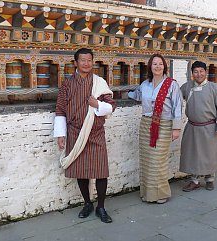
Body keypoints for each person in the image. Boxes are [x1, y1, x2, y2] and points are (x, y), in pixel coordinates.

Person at [53, 48, 116, 223]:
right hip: (74, 131)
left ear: (92, 62)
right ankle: (87, 203)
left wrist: (97, 104)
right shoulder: (67, 84)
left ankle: (101, 207)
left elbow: (111, 106)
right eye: (83, 60)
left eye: (89, 60)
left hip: (95, 132)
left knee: (101, 171)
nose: (86, 63)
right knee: (81, 171)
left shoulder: (99, 82)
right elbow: (60, 109)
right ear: (76, 63)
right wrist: (60, 134)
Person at [128, 53, 183, 204]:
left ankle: (161, 193)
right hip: (146, 125)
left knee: (158, 160)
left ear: (164, 66)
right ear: (150, 67)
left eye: (160, 64)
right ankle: (147, 193)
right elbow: (137, 96)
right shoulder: (145, 84)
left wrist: (176, 128)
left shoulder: (171, 84)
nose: (157, 66)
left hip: (164, 125)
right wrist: (118, 94)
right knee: (147, 160)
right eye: (154, 64)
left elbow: (178, 106)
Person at [180, 60, 217, 192]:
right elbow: (175, 97)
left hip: (209, 127)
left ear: (205, 72)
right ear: (192, 73)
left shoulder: (214, 88)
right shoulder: (187, 86)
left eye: (201, 71)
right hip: (192, 127)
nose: (198, 74)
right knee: (193, 153)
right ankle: (194, 180)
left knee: (209, 154)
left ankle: (210, 179)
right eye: (195, 72)